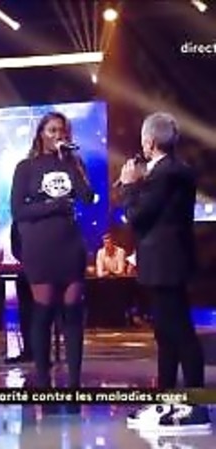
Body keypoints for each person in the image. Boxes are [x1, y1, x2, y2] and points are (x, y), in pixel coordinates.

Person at [120, 112, 209, 432]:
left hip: (167, 263)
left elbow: (137, 216)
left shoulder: (166, 173)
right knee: (166, 334)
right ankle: (166, 400)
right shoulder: (171, 170)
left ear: (149, 141)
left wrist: (129, 186)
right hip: (165, 262)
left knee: (180, 333)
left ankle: (196, 407)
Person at [10, 111, 94, 409]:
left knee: (73, 312)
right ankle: (44, 381)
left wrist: (72, 164)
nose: (59, 135)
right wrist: (53, 206)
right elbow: (18, 210)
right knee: (43, 312)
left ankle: (74, 383)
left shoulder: (72, 163)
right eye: (53, 130)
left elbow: (87, 197)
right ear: (41, 134)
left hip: (70, 245)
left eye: (63, 131)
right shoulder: (26, 168)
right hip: (40, 246)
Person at [9, 222, 33, 363]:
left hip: (37, 272)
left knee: (35, 313)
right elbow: (15, 248)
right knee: (27, 312)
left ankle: (34, 351)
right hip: (29, 272)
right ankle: (30, 351)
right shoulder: (18, 222)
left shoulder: (20, 221)